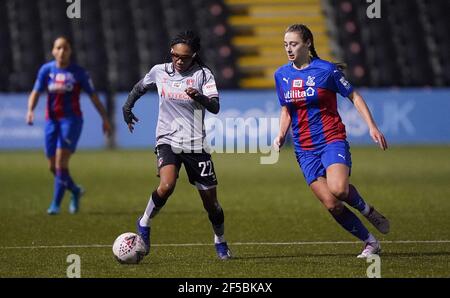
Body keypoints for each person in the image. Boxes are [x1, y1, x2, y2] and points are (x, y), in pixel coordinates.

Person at [273, 24, 390, 258]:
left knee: (338, 189)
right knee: (332, 204)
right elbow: (286, 109)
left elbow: (354, 96)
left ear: (307, 43)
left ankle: (367, 210)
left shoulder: (326, 70)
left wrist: (372, 126)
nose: (289, 48)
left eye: (293, 43)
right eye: (286, 44)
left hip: (331, 139)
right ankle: (370, 242)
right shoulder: (281, 75)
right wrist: (281, 134)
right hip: (304, 149)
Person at [122, 30, 231, 260]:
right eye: (175, 56)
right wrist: (127, 108)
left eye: (185, 57)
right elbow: (140, 87)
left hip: (195, 144)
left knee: (211, 204)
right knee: (167, 185)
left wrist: (199, 97)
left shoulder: (203, 74)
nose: (179, 61)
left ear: (194, 55)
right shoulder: (160, 71)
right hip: (167, 139)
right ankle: (144, 223)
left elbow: (215, 107)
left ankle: (220, 241)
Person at [26, 36, 111, 215]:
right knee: (52, 166)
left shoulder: (79, 73)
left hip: (71, 121)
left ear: (70, 51)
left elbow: (93, 97)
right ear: (53, 51)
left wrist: (104, 117)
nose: (62, 52)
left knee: (60, 162)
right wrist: (30, 110)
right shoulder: (46, 70)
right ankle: (75, 190)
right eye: (58, 48)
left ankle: (55, 204)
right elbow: (35, 92)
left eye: (65, 48)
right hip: (52, 121)